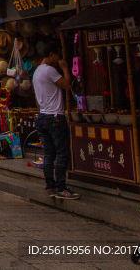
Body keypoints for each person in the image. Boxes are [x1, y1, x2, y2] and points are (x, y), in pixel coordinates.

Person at [32, 42, 80, 200]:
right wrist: (66, 68)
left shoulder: (37, 71)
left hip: (42, 116)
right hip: (55, 117)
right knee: (62, 153)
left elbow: (37, 99)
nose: (59, 58)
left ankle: (50, 186)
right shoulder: (50, 70)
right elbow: (67, 85)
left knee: (48, 154)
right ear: (51, 55)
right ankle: (61, 187)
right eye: (57, 55)